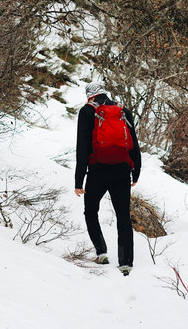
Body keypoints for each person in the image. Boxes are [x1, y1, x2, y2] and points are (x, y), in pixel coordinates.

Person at [74, 81, 142, 276]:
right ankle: (126, 262)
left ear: (90, 96)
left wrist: (79, 180)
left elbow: (82, 147)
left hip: (98, 170)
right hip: (122, 170)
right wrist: (136, 171)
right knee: (123, 216)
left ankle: (101, 251)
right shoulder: (122, 110)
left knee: (91, 211)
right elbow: (134, 143)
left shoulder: (87, 112)